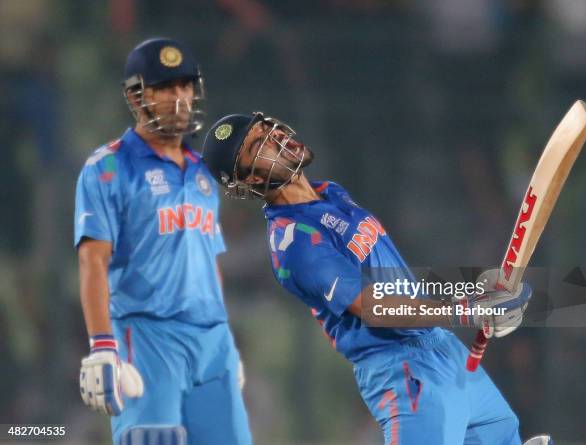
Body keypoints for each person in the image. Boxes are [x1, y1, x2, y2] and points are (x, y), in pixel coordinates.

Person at [201, 112, 551, 445]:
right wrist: (465, 310)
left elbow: (395, 283)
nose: (273, 137)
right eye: (256, 146)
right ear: (251, 180)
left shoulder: (331, 193)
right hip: (403, 369)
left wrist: (472, 294)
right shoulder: (294, 241)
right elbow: (372, 307)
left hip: (443, 349)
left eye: (265, 129)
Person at [74, 38, 252, 445]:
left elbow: (209, 263)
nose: (180, 98)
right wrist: (102, 345)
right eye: (166, 87)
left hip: (212, 344)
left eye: (186, 86)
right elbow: (93, 262)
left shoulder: (203, 173)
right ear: (137, 97)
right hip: (148, 338)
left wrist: (226, 339)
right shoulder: (108, 167)